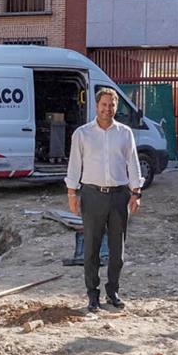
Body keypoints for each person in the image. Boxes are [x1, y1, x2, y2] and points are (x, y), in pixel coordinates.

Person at [65, 87, 143, 313]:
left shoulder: (125, 133)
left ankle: (113, 291)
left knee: (117, 251)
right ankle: (92, 295)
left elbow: (133, 163)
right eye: (104, 105)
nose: (107, 109)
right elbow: (74, 165)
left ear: (116, 107)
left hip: (120, 196)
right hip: (92, 196)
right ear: (96, 106)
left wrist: (136, 193)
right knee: (91, 249)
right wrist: (72, 193)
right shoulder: (82, 134)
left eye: (111, 105)